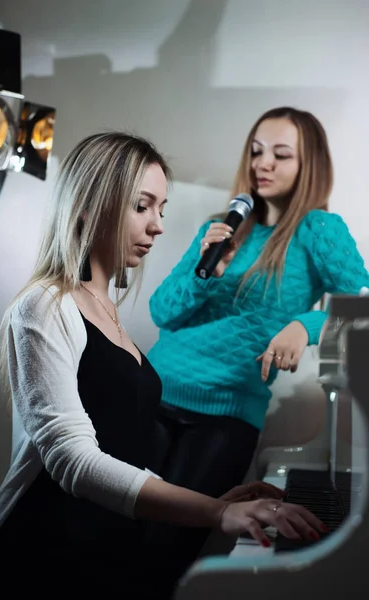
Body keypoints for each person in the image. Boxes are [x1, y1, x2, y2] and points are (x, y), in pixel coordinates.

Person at [0, 131, 325, 599]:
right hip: (42, 559)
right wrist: (213, 513)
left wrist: (212, 503)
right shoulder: (45, 306)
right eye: (143, 206)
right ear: (90, 203)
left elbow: (122, 455)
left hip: (101, 554)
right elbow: (74, 461)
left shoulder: (108, 312)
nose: (157, 225)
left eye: (162, 209)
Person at [144, 106, 369, 588]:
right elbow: (162, 312)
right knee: (114, 533)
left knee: (165, 554)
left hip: (224, 419)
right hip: (154, 393)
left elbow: (361, 304)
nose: (262, 164)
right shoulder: (221, 226)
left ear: (309, 164)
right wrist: (208, 274)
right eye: (256, 151)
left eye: (281, 154)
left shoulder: (318, 230)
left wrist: (302, 325)